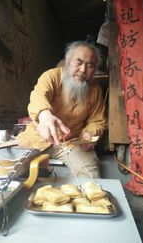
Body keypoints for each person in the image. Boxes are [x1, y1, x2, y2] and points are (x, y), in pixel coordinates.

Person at [17, 41, 106, 177]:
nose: (83, 70)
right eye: (79, 62)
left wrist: (89, 134)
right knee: (8, 168)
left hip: (71, 142)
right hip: (37, 137)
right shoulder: (52, 76)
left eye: (90, 66)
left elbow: (97, 120)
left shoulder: (95, 90)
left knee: (90, 173)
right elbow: (38, 95)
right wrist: (44, 115)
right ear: (68, 61)